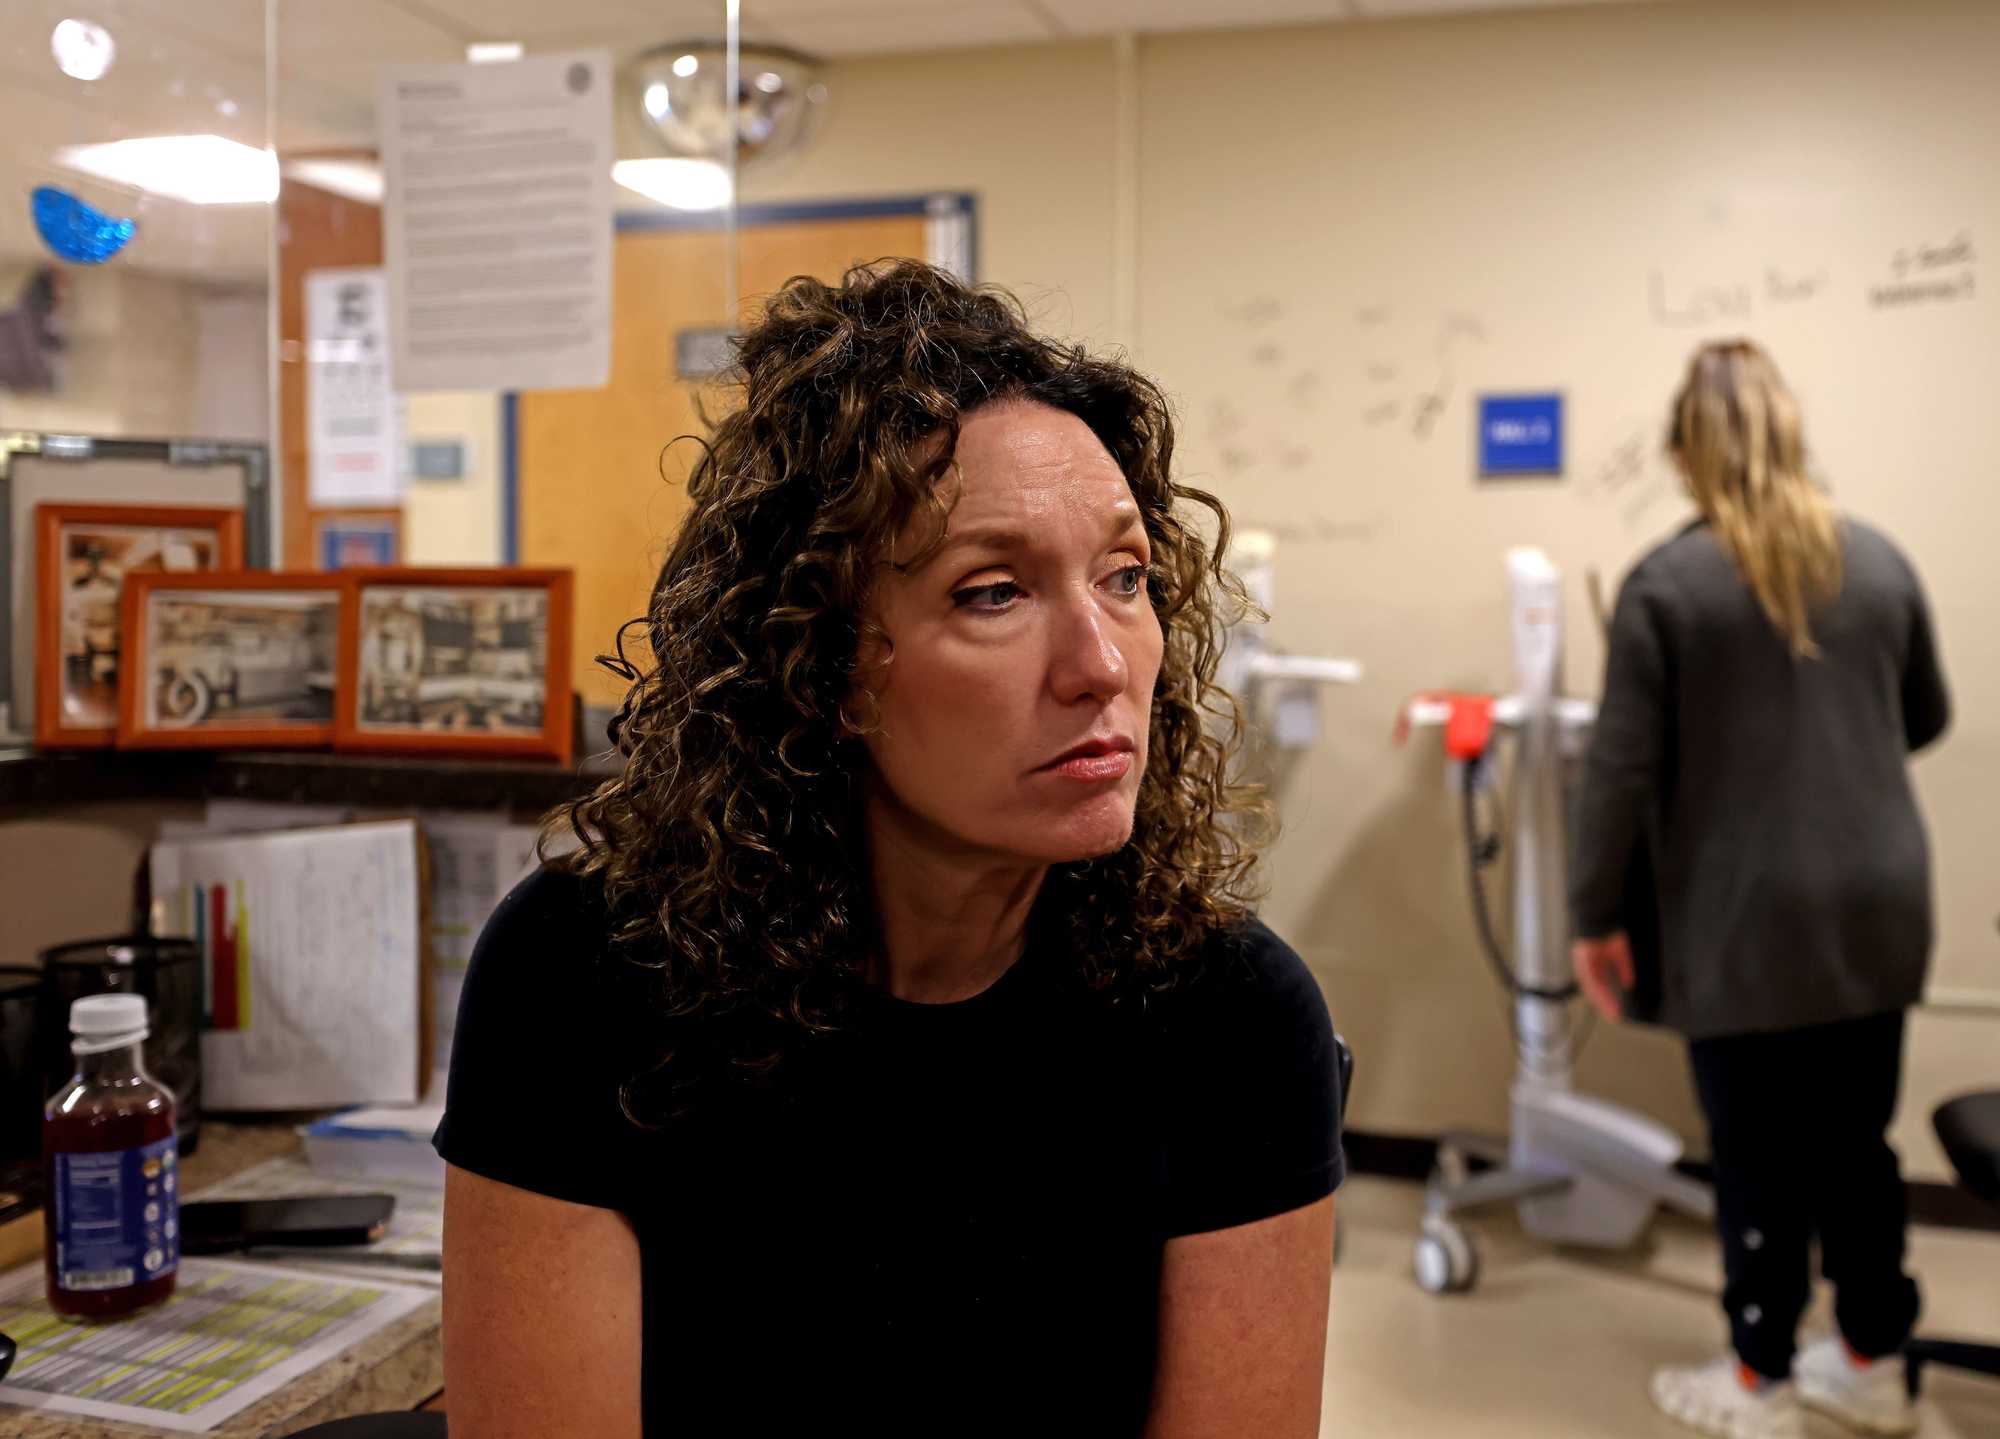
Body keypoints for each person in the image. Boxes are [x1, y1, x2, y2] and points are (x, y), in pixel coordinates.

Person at [434, 261, 1345, 1438]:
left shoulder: (1228, 1014)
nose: (1103, 661)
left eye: (1124, 577)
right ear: (820, 665)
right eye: (993, 592)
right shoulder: (586, 973)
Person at [1570, 340, 1950, 1439]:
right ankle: (1874, 1357)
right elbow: (1921, 715)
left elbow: (1617, 771)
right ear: (1791, 432)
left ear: (1683, 452)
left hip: (1744, 915)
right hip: (1876, 904)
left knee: (1754, 1153)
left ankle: (1757, 1377)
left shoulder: (1666, 584)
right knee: (1855, 1140)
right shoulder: (1876, 562)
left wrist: (1593, 914)